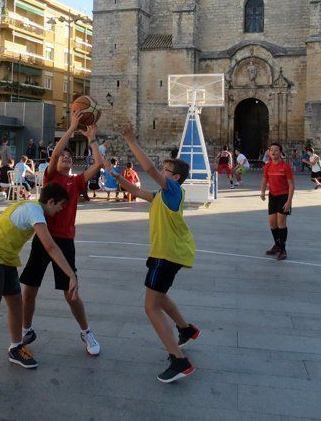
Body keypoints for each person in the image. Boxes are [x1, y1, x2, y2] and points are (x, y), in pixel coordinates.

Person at [0, 183, 78, 395]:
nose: (60, 210)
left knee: (16, 305)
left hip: (6, 259)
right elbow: (50, 246)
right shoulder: (35, 211)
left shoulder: (31, 207)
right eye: (60, 206)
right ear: (51, 201)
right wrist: (71, 274)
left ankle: (15, 347)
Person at [107, 122, 198, 384]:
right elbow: (136, 191)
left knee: (150, 307)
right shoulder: (161, 195)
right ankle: (186, 329)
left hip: (167, 254)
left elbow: (147, 168)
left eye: (166, 170)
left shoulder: (173, 191)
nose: (161, 172)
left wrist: (131, 140)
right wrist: (117, 177)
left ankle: (179, 360)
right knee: (160, 296)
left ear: (176, 177)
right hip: (167, 254)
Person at [20, 112, 103, 357]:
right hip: (43, 237)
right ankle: (26, 328)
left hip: (65, 241)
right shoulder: (51, 177)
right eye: (62, 156)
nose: (65, 157)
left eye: (69, 156)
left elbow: (98, 164)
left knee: (71, 293)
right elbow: (55, 152)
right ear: (55, 164)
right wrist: (72, 127)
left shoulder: (76, 183)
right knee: (30, 289)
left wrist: (92, 139)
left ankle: (86, 331)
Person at [260, 142, 295, 261]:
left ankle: (282, 250)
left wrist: (289, 201)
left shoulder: (285, 167)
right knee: (272, 223)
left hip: (283, 196)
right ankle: (277, 245)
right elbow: (265, 180)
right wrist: (262, 192)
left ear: (280, 152)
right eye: (271, 150)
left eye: (275, 149)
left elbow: (291, 185)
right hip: (272, 196)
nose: (273, 151)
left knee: (281, 223)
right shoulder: (268, 166)